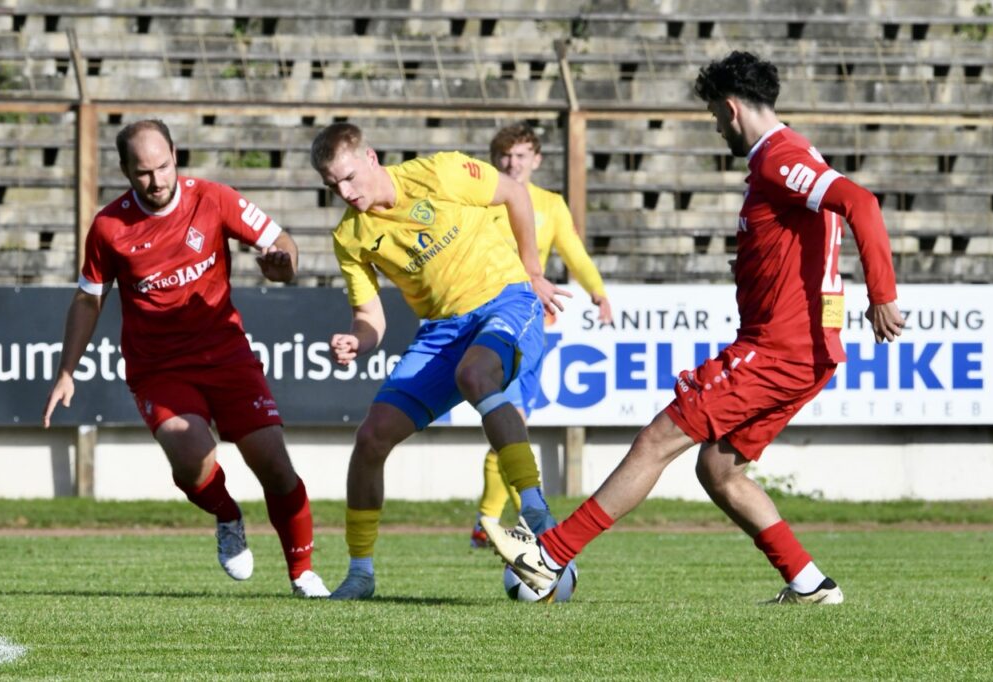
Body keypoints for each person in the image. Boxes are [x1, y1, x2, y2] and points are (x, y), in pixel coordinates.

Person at [484, 51, 906, 605]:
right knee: (720, 469)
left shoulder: (779, 158)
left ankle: (550, 556)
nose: (714, 126)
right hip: (804, 352)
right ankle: (810, 584)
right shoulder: (793, 155)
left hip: (778, 350)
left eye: (712, 115)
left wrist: (883, 295)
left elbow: (861, 203)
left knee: (658, 439)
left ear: (732, 109)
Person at [42, 119, 331, 598]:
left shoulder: (214, 198)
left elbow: (283, 246)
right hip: (159, 367)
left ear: (175, 154)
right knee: (189, 452)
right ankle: (227, 514)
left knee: (275, 467)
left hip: (227, 355)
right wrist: (66, 371)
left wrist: (283, 266)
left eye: (162, 167)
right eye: (143, 173)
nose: (156, 182)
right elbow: (88, 298)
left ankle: (303, 573)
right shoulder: (109, 226)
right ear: (124, 171)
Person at [309, 122, 570, 600]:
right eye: (332, 185)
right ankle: (360, 574)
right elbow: (371, 319)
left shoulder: (441, 173)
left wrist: (534, 270)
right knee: (371, 437)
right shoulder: (350, 237)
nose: (344, 192)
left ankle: (536, 513)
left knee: (474, 374)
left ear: (371, 157)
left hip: (507, 301)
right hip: (440, 333)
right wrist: (356, 341)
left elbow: (514, 193)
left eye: (348, 178)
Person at [469, 122, 613, 549]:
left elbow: (572, 250)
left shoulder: (550, 205)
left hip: (530, 323)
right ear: (495, 160)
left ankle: (489, 519)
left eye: (520, 155)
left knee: (513, 421)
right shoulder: (480, 198)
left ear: (536, 160)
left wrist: (598, 291)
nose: (512, 163)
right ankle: (524, 517)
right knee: (511, 419)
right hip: (490, 320)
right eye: (505, 155)